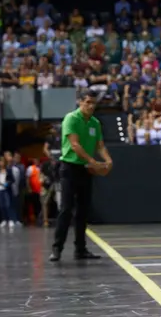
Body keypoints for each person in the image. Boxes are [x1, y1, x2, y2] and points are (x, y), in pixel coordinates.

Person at [49, 90, 112, 262]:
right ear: (80, 102)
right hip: (69, 168)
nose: (91, 106)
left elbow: (100, 146)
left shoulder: (95, 123)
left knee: (83, 211)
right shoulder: (71, 118)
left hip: (85, 169)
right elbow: (75, 145)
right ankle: (57, 249)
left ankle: (80, 249)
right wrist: (93, 161)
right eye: (88, 102)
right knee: (66, 209)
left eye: (93, 103)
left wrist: (108, 160)